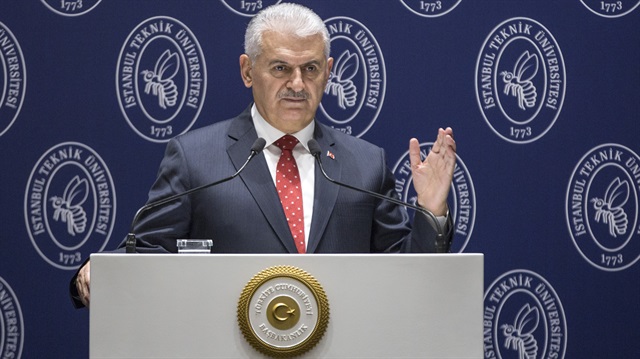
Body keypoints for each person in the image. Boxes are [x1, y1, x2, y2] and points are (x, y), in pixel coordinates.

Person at [71, 3, 456, 308]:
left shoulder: (366, 164)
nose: (297, 84)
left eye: (311, 68)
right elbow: (148, 252)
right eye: (280, 68)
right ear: (247, 70)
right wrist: (103, 273)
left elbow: (408, 278)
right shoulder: (195, 159)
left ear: (329, 72)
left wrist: (431, 210)